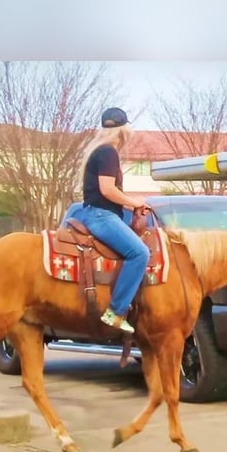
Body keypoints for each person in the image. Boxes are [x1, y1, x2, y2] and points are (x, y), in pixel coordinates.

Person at [71, 107, 151, 334]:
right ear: (125, 131)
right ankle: (116, 311)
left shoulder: (98, 150)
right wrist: (134, 203)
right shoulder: (108, 152)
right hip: (101, 215)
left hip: (94, 211)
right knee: (140, 253)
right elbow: (107, 190)